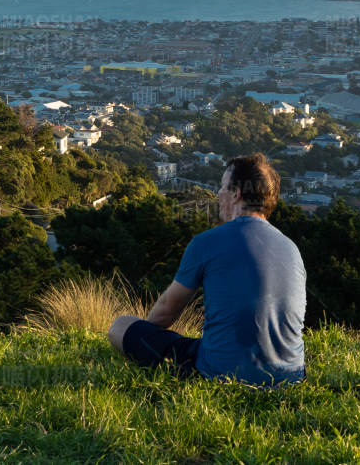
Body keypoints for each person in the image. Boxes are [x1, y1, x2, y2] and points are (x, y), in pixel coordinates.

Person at [109, 153, 306, 386]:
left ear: (236, 194)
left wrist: (146, 338)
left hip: (221, 374)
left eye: (223, 187)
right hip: (291, 377)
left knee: (120, 327)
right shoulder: (291, 248)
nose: (218, 194)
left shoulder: (207, 242)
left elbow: (165, 313)